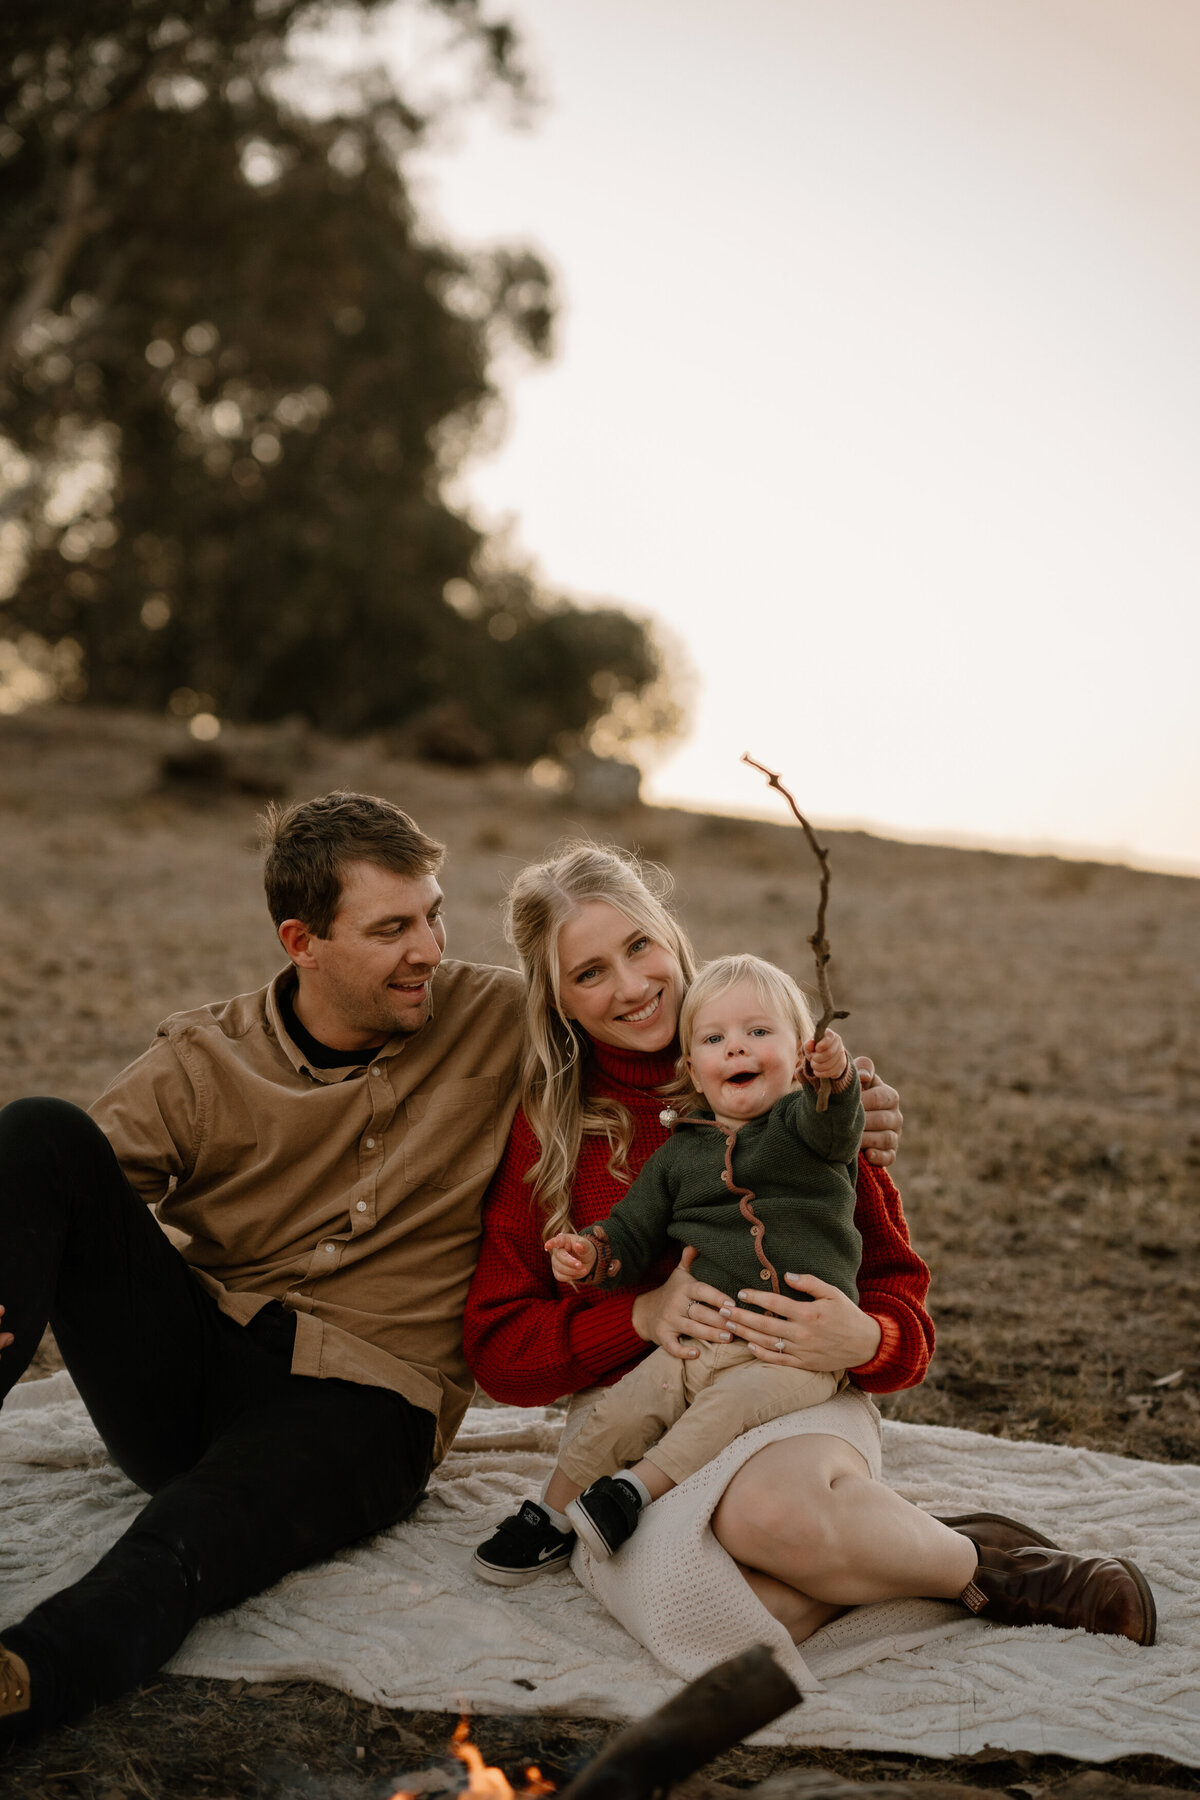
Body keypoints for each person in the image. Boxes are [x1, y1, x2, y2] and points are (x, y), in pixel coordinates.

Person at [464, 843, 1156, 1655]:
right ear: (557, 1000)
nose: (630, 985)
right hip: (644, 1411)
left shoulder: (800, 1096)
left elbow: (900, 1296)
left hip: (794, 1388)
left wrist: (862, 1338)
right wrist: (640, 1317)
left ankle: (1001, 1570)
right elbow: (500, 1352)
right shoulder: (551, 1126)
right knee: (729, 1620)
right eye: (589, 973)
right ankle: (888, 1543)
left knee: (769, 1517)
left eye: (639, 946)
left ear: (670, 937)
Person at [0, 791, 527, 1740]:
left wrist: (834, 1103)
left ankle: (33, 1674)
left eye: (436, 913)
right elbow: (66, 1197)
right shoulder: (206, 1061)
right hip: (193, 1377)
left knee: (190, 1536)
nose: (431, 950)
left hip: (369, 1403)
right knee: (39, 1132)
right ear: (303, 941)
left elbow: (682, 1039)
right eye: (393, 928)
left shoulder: (500, 1018)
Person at [491, 955, 865, 1566]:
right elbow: (632, 1231)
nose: (737, 1049)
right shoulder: (677, 1156)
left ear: (800, 1053)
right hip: (697, 1339)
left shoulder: (803, 1128)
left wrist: (837, 1078)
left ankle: (632, 1492)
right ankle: (550, 1512)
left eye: (759, 1033)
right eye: (716, 1040)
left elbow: (836, 1125)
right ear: (693, 1068)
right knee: (624, 1408)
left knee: (729, 1408)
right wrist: (591, 1254)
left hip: (791, 1353)